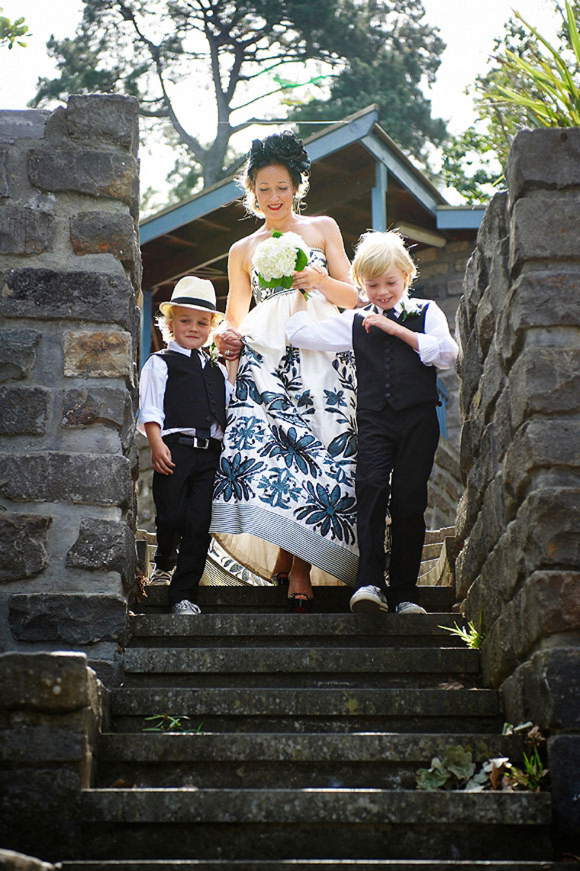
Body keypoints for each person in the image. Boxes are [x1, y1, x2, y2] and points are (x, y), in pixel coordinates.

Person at [210, 131, 359, 611]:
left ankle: (296, 565)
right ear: (251, 191)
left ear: (297, 187)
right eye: (263, 188)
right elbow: (234, 314)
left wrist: (318, 281)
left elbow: (354, 297)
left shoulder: (323, 228)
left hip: (322, 353)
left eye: (282, 187)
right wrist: (224, 338)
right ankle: (293, 562)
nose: (273, 198)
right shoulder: (241, 249)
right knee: (274, 454)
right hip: (265, 357)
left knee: (319, 446)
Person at [286, 230, 459, 614]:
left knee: (410, 503)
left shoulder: (426, 312)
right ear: (361, 286)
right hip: (374, 421)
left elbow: (447, 354)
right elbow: (298, 334)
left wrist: (396, 329)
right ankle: (369, 583)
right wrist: (303, 288)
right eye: (373, 284)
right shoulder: (355, 321)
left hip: (418, 420)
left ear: (407, 276)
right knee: (370, 491)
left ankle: (405, 593)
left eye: (391, 283)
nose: (383, 292)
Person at [138, 276, 235, 615]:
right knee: (172, 516)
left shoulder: (217, 370)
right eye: (185, 320)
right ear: (170, 323)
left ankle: (184, 595)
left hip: (210, 455)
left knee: (198, 523)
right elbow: (150, 407)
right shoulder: (161, 362)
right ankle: (165, 558)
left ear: (210, 327)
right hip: (174, 449)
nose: (193, 328)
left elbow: (229, 405)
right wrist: (155, 443)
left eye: (202, 322)